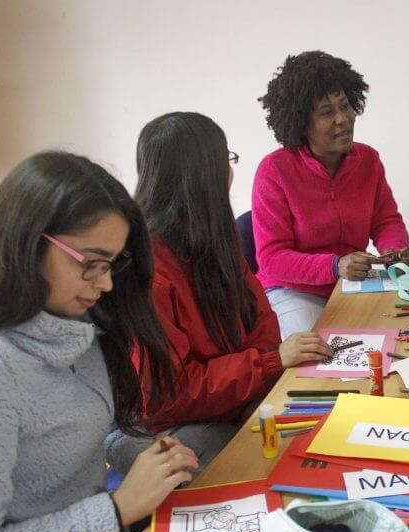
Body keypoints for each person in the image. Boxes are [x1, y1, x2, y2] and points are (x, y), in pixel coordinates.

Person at [0, 152, 198, 532]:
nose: (105, 283)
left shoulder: (74, 327)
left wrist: (145, 453)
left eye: (110, 264)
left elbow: (92, 428)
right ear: (27, 242)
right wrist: (116, 511)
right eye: (89, 261)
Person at [104, 112, 334, 475]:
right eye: (226, 159)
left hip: (227, 401)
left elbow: (261, 321)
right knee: (269, 469)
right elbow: (167, 395)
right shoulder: (145, 270)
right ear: (201, 175)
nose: (230, 170)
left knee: (318, 427)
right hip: (161, 425)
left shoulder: (213, 238)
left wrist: (262, 374)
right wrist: (267, 365)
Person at [254, 50, 409, 338]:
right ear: (301, 123)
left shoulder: (368, 160)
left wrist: (394, 250)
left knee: (401, 336)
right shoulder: (273, 170)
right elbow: (271, 257)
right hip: (295, 290)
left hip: (357, 282)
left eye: (346, 106)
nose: (343, 119)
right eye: (327, 112)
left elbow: (386, 220)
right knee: (318, 353)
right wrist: (335, 265)